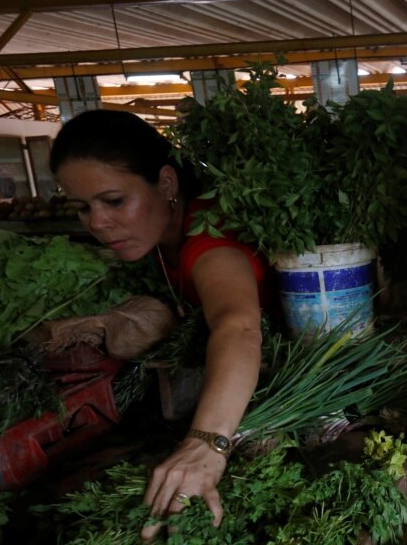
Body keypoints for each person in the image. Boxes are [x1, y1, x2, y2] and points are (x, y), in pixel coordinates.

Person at [50, 110, 277, 539]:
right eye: (82, 207)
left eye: (114, 201)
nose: (97, 223)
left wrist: (207, 445)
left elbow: (238, 326)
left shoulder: (208, 242)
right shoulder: (163, 238)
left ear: (167, 183)